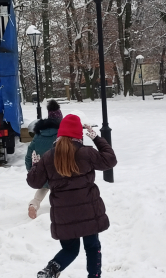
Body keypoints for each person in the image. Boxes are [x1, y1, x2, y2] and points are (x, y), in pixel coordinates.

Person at [27, 114, 117, 278]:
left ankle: (51, 270)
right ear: (78, 135)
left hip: (63, 215)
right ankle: (94, 276)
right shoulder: (86, 153)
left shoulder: (48, 157)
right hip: (88, 211)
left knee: (70, 249)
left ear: (59, 135)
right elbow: (110, 160)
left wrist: (35, 166)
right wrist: (97, 139)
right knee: (92, 246)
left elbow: (34, 182)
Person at [25, 99, 63, 219]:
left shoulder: (39, 134)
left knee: (43, 188)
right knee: (60, 188)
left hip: (43, 167)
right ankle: (59, 207)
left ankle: (34, 204)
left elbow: (30, 153)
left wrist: (31, 169)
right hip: (59, 169)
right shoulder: (61, 134)